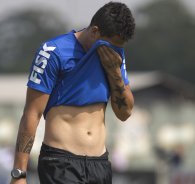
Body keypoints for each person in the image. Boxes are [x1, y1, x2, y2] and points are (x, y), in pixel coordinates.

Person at [10, 2, 135, 184]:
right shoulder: (52, 52)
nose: (114, 51)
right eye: (111, 45)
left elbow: (125, 113)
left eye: (118, 47)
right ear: (94, 31)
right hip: (61, 164)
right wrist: (19, 174)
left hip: (99, 165)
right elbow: (32, 113)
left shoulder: (115, 57)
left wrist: (115, 72)